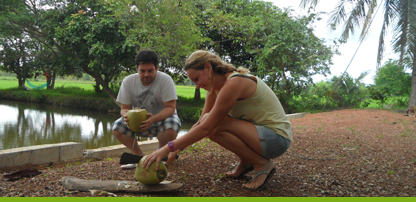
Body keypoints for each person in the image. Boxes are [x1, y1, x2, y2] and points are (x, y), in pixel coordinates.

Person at [142, 50, 293, 191]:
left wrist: (166, 148)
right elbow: (200, 123)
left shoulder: (234, 82)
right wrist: (176, 149)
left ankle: (262, 164)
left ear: (208, 67)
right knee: (210, 122)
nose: (197, 86)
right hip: (260, 137)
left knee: (214, 124)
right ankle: (247, 161)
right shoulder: (215, 88)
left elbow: (207, 127)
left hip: (277, 139)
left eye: (197, 79)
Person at [112, 49, 181, 169]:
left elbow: (170, 108)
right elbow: (124, 108)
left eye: (150, 71)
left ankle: (160, 156)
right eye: (142, 71)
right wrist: (127, 116)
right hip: (139, 123)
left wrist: (152, 119)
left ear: (157, 68)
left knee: (172, 125)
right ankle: (139, 157)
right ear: (136, 69)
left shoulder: (166, 80)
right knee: (117, 127)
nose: (146, 75)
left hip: (162, 119)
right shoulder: (128, 81)